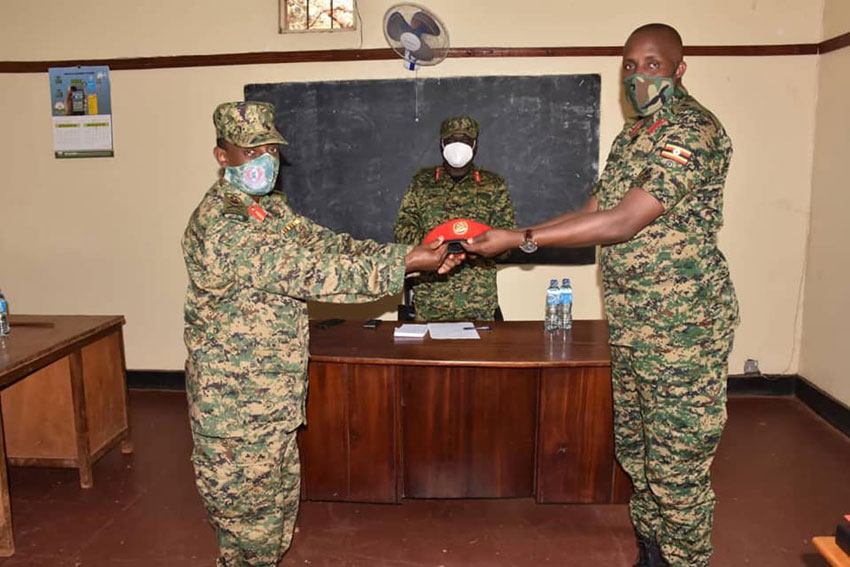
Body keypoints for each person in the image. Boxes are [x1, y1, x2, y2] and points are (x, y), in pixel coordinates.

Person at [464, 24, 738, 567]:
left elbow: (622, 222)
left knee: (676, 469)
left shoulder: (692, 132)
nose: (639, 76)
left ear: (679, 69)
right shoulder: (634, 136)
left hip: (683, 331)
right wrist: (512, 240)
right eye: (630, 66)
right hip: (635, 325)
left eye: (653, 64)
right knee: (638, 455)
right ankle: (651, 556)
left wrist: (520, 240)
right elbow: (593, 210)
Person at [182, 101, 461, 567]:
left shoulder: (266, 209)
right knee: (247, 531)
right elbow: (313, 272)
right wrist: (407, 264)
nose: (263, 160)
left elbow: (326, 244)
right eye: (249, 150)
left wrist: (407, 254)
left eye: (270, 148)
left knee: (273, 522)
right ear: (222, 156)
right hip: (234, 408)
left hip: (271, 398)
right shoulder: (223, 225)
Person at [393, 115, 517, 321]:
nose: (458, 145)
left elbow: (509, 236)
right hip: (430, 301)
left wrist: (480, 249)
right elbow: (403, 230)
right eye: (451, 140)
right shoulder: (422, 182)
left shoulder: (493, 184)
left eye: (465, 140)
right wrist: (434, 248)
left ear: (475, 146)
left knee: (482, 354)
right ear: (442, 144)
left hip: (479, 304)